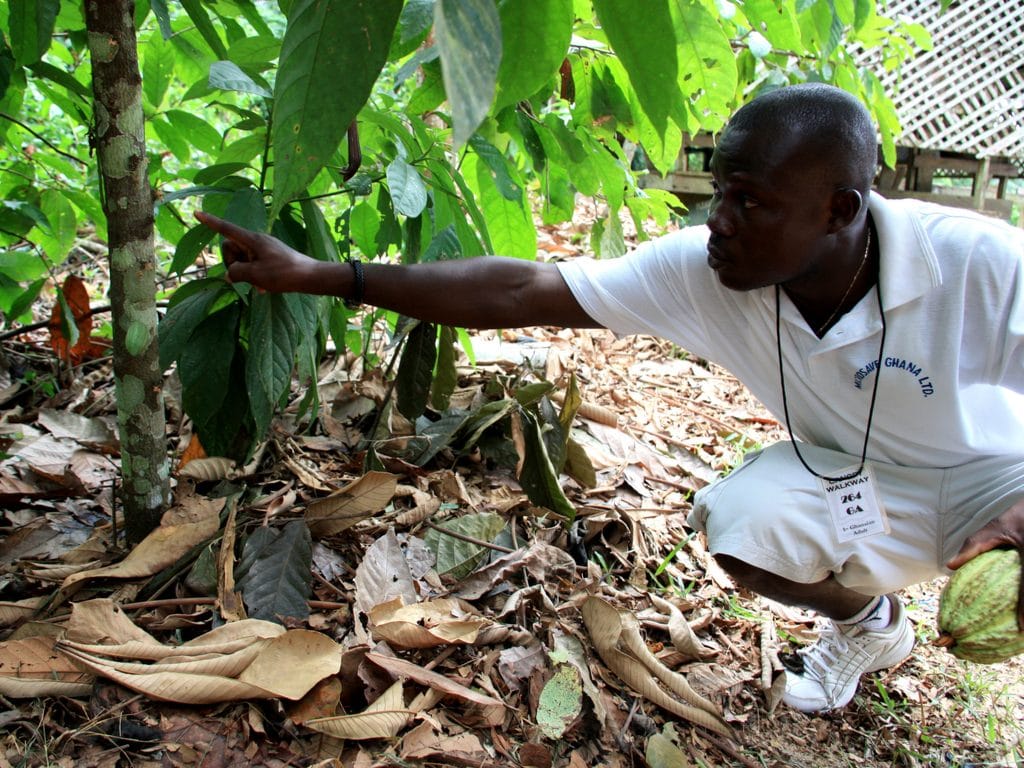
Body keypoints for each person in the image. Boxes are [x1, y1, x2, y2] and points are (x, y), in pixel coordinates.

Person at [195, 83, 1024, 715]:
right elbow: (522, 291)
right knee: (744, 527)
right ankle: (871, 624)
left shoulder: (975, 261)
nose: (719, 222)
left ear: (839, 210)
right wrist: (329, 276)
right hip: (858, 478)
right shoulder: (714, 276)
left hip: (1002, 485)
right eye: (720, 190)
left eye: (751, 202)